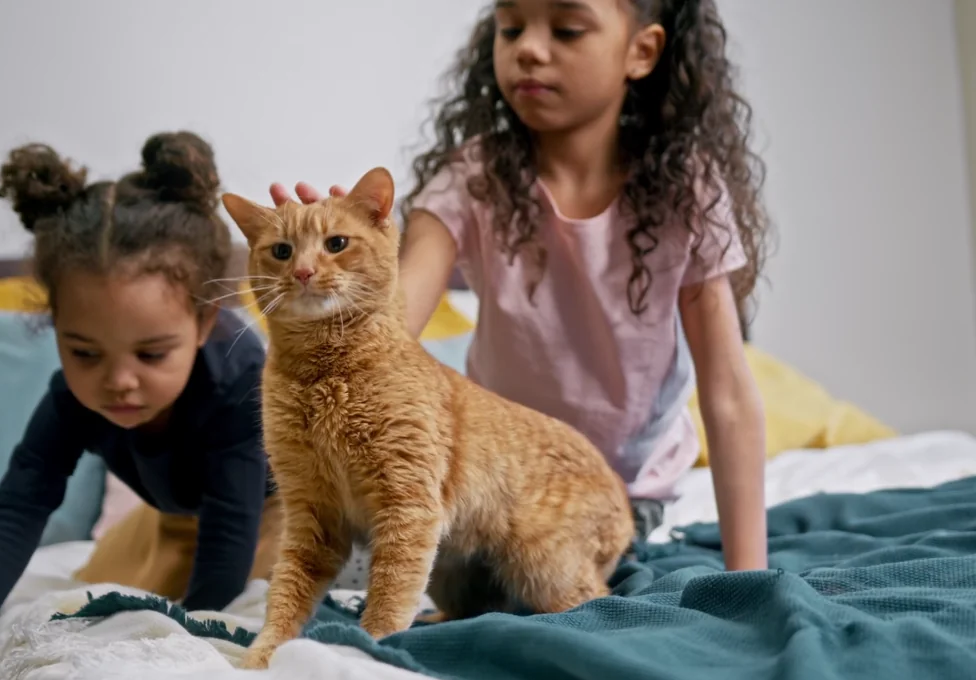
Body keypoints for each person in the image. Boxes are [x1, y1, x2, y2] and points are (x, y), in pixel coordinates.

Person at [273, 0, 770, 570]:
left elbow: (729, 394)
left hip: (616, 495)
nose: (528, 49)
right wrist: (337, 272)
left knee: (548, 581)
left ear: (642, 51)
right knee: (334, 570)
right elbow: (392, 325)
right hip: (487, 482)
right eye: (510, 29)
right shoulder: (471, 180)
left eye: (566, 29)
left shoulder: (688, 191)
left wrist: (748, 577)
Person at [0, 131, 278, 672]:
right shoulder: (70, 400)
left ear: (201, 323)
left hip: (272, 509)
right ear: (58, 326)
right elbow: (14, 514)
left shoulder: (238, 383)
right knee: (94, 590)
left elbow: (227, 537)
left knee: (247, 607)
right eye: (84, 352)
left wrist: (181, 651)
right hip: (176, 515)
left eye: (150, 355)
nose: (117, 382)